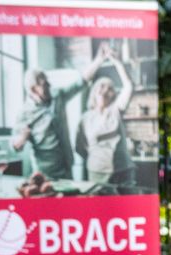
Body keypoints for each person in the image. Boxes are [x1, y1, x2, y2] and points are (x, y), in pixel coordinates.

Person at [11, 44, 114, 180]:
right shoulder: (24, 113)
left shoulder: (56, 96)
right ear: (33, 89)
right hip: (45, 174)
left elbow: (80, 82)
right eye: (44, 84)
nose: (49, 85)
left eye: (47, 81)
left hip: (67, 167)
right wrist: (20, 140)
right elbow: (15, 145)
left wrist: (99, 60)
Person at [76, 53, 135, 187]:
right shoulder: (85, 118)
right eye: (101, 86)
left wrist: (117, 63)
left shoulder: (116, 110)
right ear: (94, 92)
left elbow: (129, 87)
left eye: (110, 89)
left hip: (123, 170)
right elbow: (80, 147)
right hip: (97, 172)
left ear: (113, 95)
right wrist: (96, 158)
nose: (105, 90)